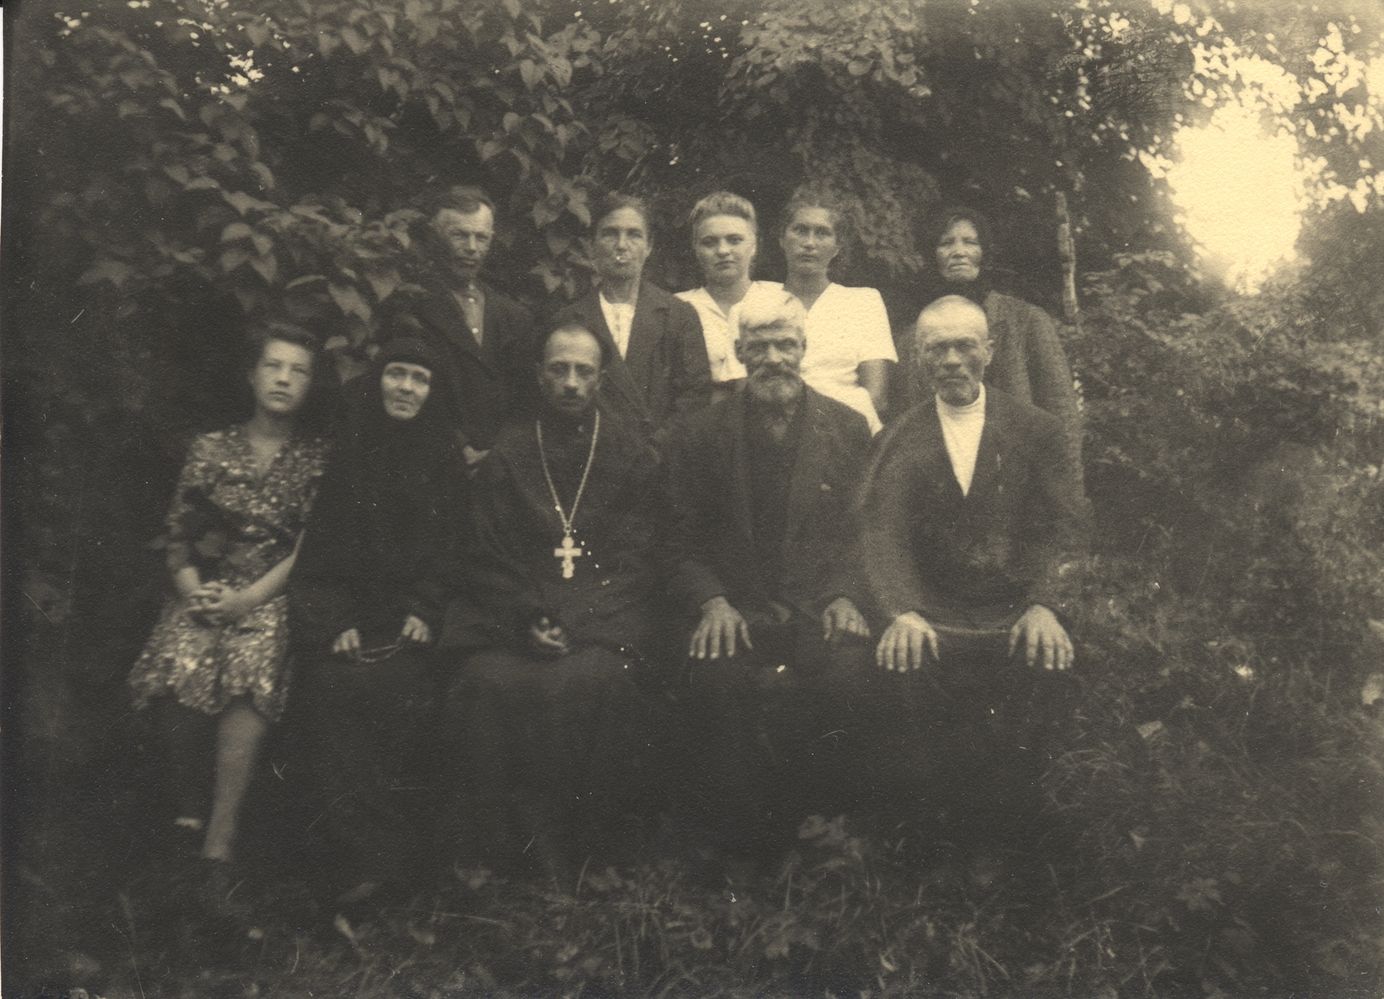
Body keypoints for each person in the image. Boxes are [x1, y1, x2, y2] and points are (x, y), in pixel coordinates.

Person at [439, 321, 667, 882]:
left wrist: (572, 620)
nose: (570, 382)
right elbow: (486, 552)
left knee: (598, 682)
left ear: (601, 379)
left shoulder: (631, 456)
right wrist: (528, 617)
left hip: (600, 618)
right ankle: (494, 855)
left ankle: (590, 854)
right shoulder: (510, 453)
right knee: (484, 683)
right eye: (559, 369)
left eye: (583, 371)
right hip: (514, 618)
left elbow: (637, 558)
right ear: (539, 375)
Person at [855, 296, 1086, 845]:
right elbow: (882, 534)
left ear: (990, 350)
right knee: (904, 673)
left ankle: (1014, 839)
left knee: (1045, 672)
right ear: (918, 358)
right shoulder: (895, 439)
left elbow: (1068, 528)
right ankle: (935, 839)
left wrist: (1046, 604)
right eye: (938, 349)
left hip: (1015, 608)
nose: (953, 360)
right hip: (933, 611)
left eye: (965, 346)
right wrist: (902, 611)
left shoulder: (1038, 430)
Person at [128, 322, 333, 916]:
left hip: (271, 596)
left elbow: (308, 549)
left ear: (310, 385)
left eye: (297, 370)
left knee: (249, 665)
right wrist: (197, 594)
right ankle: (186, 820)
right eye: (273, 366)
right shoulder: (211, 448)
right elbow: (179, 537)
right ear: (251, 375)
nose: (283, 379)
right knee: (180, 653)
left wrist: (247, 601)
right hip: (205, 591)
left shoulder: (318, 456)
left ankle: (219, 846)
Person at [669, 289, 875, 869]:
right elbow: (677, 538)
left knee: (849, 676)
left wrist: (846, 595)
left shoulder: (848, 428)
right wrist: (711, 601)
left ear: (804, 347)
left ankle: (825, 826)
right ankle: (742, 841)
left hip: (817, 607)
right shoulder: (699, 434)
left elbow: (866, 533)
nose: (774, 359)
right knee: (715, 678)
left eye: (785, 344)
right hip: (737, 608)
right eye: (758, 347)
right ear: (738, 352)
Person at [288, 336, 466, 898]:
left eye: (420, 378)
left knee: (403, 694)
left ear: (433, 392)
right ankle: (355, 861)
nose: (406, 388)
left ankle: (400, 862)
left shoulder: (445, 461)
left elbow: (454, 553)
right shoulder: (349, 452)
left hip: (414, 628)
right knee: (331, 690)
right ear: (377, 381)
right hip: (348, 625)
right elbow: (317, 555)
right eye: (397, 374)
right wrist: (333, 621)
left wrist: (425, 610)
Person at [920, 204, 1083, 470]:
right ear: (933, 255)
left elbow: (1062, 414)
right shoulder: (919, 333)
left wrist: (1064, 487)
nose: (959, 251)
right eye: (946, 243)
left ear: (985, 253)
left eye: (971, 242)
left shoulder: (1026, 321)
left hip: (1017, 474)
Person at [555, 192, 711, 448]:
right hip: (590, 455)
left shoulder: (679, 316)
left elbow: (695, 397)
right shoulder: (568, 320)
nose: (621, 245)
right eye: (610, 234)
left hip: (659, 458)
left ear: (649, 246)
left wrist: (655, 450)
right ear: (592, 245)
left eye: (634, 235)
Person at [403, 185, 536, 470]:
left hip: (502, 466)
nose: (472, 248)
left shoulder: (514, 317)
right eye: (459, 235)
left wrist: (502, 453)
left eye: (481, 237)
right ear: (434, 236)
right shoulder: (411, 305)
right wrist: (458, 446)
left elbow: (527, 399)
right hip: (432, 461)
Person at [779, 187, 896, 433]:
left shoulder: (863, 302)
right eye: (800, 230)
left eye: (822, 233)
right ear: (782, 239)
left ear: (837, 247)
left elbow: (876, 397)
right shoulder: (760, 300)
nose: (809, 243)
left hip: (846, 434)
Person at [676, 191, 784, 402]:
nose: (723, 250)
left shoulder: (782, 299)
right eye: (709, 242)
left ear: (754, 245)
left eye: (734, 240)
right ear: (696, 248)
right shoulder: (678, 307)